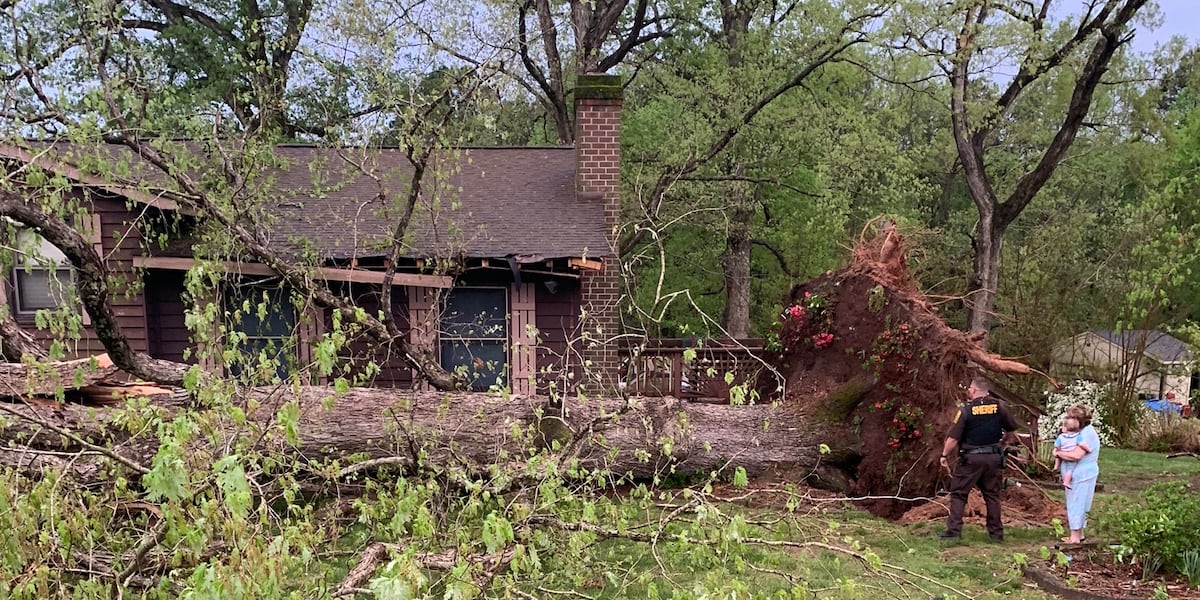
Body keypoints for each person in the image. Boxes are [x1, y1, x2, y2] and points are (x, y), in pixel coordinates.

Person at [938, 375, 1023, 542]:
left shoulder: (966, 410)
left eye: (970, 388)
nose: (968, 391)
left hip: (971, 459)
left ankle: (954, 532)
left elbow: (953, 439)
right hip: (993, 458)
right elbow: (1012, 430)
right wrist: (1002, 445)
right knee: (992, 495)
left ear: (975, 390)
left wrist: (944, 455)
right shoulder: (999, 407)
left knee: (959, 494)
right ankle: (996, 534)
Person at [1053, 404, 1101, 544]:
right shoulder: (1085, 432)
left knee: (1076, 503)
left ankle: (1074, 538)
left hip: (1080, 474)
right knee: (1082, 503)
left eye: (1071, 418)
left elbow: (1076, 455)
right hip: (1084, 473)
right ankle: (1079, 534)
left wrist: (1058, 453)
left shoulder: (1086, 434)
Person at [1053, 416, 1082, 489]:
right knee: (1070, 469)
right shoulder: (1078, 436)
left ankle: (1056, 467)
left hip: (1062, 453)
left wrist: (1057, 450)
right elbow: (1081, 444)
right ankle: (1066, 481)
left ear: (1066, 428)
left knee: (1058, 457)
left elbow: (1056, 445)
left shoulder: (1061, 437)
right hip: (1070, 454)